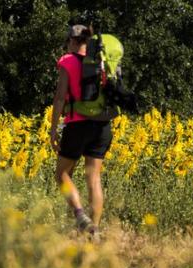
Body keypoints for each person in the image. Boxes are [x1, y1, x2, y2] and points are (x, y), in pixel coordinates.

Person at [48, 25, 113, 234]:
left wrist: (53, 129)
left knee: (62, 175)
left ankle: (80, 215)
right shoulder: (102, 61)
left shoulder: (68, 61)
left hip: (77, 125)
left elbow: (59, 97)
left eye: (68, 42)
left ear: (73, 41)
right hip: (102, 125)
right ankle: (94, 232)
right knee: (93, 178)